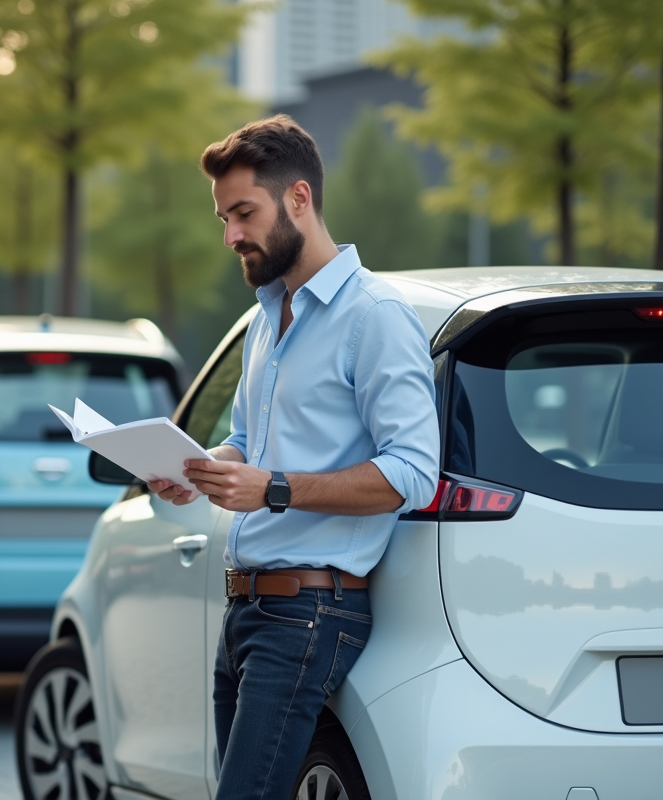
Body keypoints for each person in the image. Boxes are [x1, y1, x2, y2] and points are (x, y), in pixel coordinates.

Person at [148, 115, 440, 800]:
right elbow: (249, 444)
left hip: (310, 612)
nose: (230, 236)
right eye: (223, 217)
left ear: (299, 199)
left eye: (243, 213)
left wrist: (273, 490)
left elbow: (413, 472)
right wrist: (197, 469)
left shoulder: (375, 316)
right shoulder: (264, 317)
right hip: (245, 610)